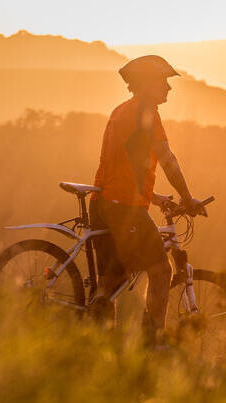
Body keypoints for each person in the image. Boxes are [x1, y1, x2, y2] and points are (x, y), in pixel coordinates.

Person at [89, 55, 203, 347]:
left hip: (103, 202)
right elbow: (168, 160)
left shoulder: (122, 110)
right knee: (162, 271)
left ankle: (100, 348)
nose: (168, 88)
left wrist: (154, 197)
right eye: (163, 81)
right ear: (147, 84)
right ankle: (153, 344)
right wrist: (188, 198)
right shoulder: (146, 113)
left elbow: (124, 166)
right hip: (124, 207)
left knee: (111, 280)